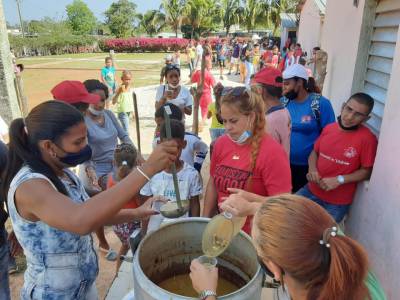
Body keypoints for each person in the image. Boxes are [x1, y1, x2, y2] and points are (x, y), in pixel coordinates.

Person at [2, 100, 178, 299]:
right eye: (78, 142)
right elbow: (81, 220)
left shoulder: (63, 173)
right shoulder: (30, 185)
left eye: (86, 138)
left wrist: (136, 213)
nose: (86, 146)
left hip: (82, 288)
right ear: (49, 146)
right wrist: (146, 170)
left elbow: (94, 213)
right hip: (53, 294)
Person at [191, 193, 386, 300]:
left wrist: (208, 292)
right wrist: (252, 207)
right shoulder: (337, 246)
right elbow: (304, 217)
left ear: (274, 269)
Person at [202, 86, 292, 234]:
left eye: (233, 121)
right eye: (224, 121)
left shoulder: (273, 153)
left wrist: (250, 206)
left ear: (252, 117)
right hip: (223, 229)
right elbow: (213, 182)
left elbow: (284, 205)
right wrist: (205, 221)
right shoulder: (221, 144)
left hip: (255, 234)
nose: (227, 128)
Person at [297, 93, 378, 222]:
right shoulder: (329, 128)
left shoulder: (368, 139)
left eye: (358, 114)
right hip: (310, 190)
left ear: (366, 119)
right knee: (285, 218)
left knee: (321, 239)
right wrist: (312, 169)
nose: (350, 116)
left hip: (336, 204)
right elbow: (314, 152)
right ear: (343, 106)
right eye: (349, 109)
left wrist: (339, 180)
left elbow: (366, 172)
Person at [81, 79, 137, 261]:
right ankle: (104, 240)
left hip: (116, 164)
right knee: (100, 206)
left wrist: (136, 154)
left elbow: (124, 136)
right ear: (86, 99)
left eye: (103, 99)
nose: (99, 103)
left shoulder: (110, 115)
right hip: (95, 168)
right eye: (95, 99)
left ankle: (128, 232)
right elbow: (84, 152)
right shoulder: (83, 122)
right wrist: (92, 174)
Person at [140, 120, 202, 234]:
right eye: (167, 148)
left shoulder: (191, 174)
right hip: (155, 231)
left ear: (184, 144)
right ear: (159, 144)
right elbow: (145, 205)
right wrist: (143, 233)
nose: (172, 154)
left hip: (182, 231)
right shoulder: (151, 173)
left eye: (176, 148)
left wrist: (195, 230)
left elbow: (194, 204)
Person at [282, 64, 335, 192]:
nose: (284, 88)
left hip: (309, 169)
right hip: (283, 164)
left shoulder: (320, 104)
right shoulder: (283, 102)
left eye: (287, 84)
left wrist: (317, 166)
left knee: (301, 205)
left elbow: (330, 136)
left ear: (299, 82)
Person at [106, 143, 141, 273]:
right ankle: (137, 276)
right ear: (136, 161)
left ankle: (117, 272)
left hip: (117, 224)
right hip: (132, 223)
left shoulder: (110, 178)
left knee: (125, 245)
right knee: (137, 251)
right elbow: (139, 203)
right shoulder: (134, 180)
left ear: (114, 162)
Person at [154, 103, 208, 172]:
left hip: (188, 178)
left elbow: (203, 149)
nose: (157, 128)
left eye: (159, 125)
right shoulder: (157, 141)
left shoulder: (191, 139)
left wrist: (197, 166)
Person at [252, 67, 291, 157]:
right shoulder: (284, 111)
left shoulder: (270, 121)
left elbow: (264, 154)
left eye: (254, 89)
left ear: (261, 91)